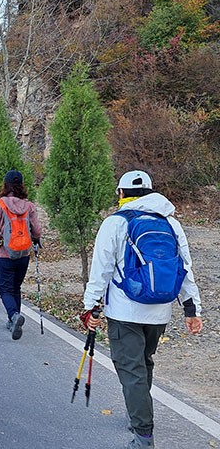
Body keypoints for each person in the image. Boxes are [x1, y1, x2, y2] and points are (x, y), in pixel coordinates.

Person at [82, 170, 202, 449]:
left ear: (121, 194)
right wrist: (191, 308)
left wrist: (91, 307)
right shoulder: (171, 224)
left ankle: (143, 435)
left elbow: (101, 269)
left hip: (125, 311)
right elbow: (184, 268)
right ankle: (138, 415)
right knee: (144, 362)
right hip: (159, 311)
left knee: (131, 368)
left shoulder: (115, 223)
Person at [0, 170, 42, 340]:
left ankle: (14, 316)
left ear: (5, 185)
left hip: (3, 253)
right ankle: (13, 319)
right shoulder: (29, 206)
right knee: (15, 287)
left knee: (4, 288)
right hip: (23, 253)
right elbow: (37, 230)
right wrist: (36, 240)